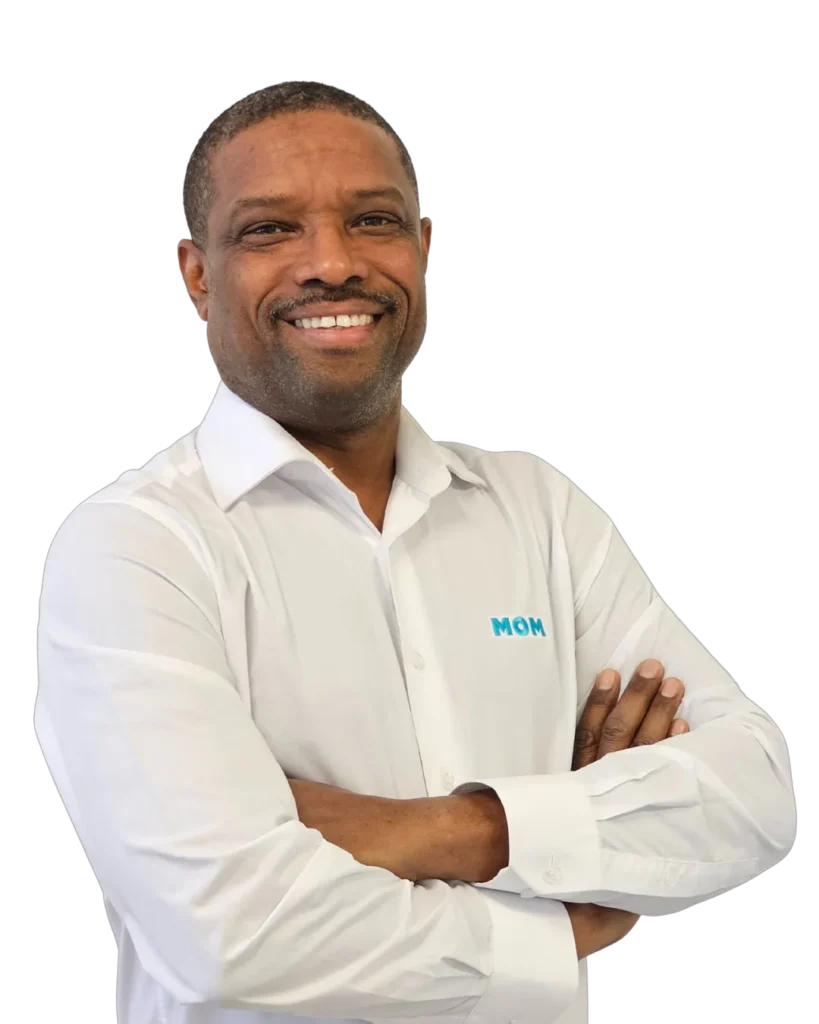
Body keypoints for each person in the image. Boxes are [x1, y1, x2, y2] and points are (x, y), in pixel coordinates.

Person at [34, 81, 796, 1024]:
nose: (332, 263)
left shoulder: (540, 512)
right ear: (196, 274)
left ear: (423, 249)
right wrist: (560, 903)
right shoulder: (135, 547)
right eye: (269, 229)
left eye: (373, 220)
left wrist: (443, 829)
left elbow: (752, 797)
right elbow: (228, 936)